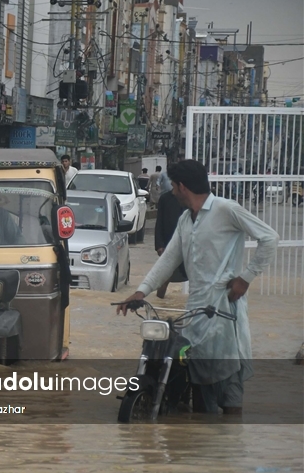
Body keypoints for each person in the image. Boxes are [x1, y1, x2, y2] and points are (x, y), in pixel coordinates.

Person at [116, 159, 279, 415]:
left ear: (182, 186)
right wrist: (141, 291)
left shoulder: (226, 209)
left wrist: (245, 278)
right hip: (196, 311)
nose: (171, 192)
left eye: (173, 186)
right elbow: (169, 259)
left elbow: (270, 238)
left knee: (228, 387)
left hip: (224, 310)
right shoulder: (185, 220)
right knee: (196, 384)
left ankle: (228, 441)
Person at [153, 188, 187, 299]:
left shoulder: (192, 199)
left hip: (189, 247)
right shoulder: (165, 198)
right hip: (168, 245)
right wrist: (159, 245)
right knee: (163, 279)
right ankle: (159, 304)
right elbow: (159, 223)